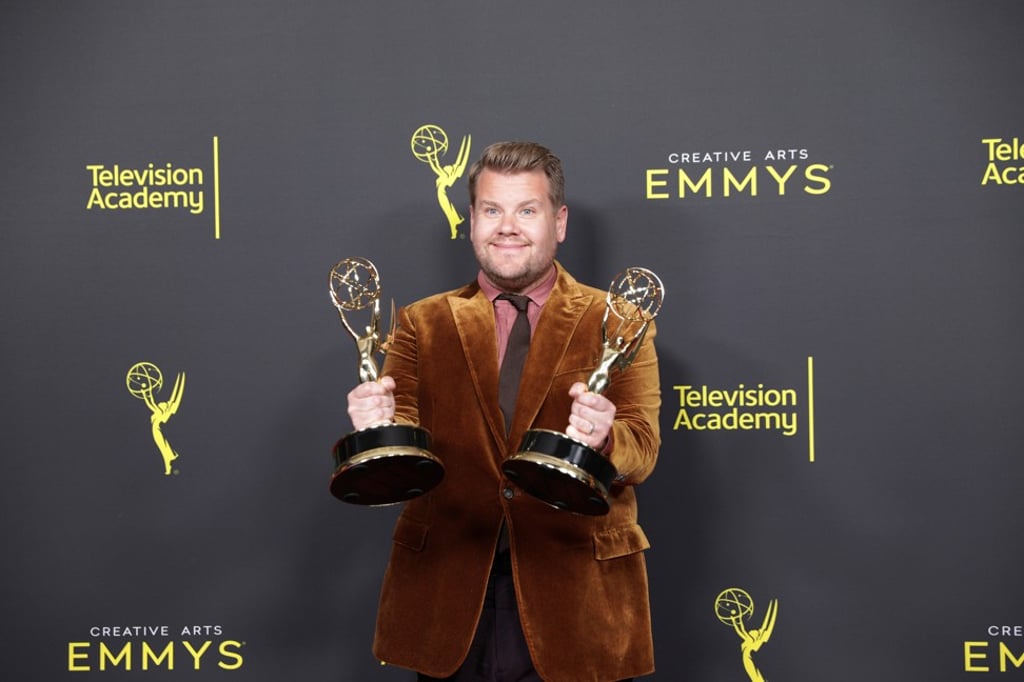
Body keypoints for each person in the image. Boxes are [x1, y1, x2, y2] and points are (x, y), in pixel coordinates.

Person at [347, 141, 661, 682]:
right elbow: (403, 456)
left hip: (577, 601)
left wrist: (607, 440)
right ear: (471, 220)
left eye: (527, 210)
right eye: (492, 210)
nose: (507, 227)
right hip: (452, 600)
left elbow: (643, 448)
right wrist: (378, 431)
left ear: (559, 222)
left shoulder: (620, 320)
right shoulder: (420, 324)